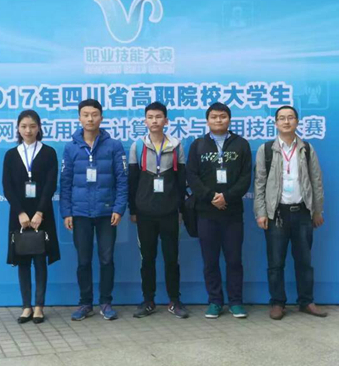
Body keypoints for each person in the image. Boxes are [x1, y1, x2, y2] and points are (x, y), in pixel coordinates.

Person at [253, 105, 326, 320]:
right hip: (276, 214)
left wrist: (317, 211)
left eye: (291, 118)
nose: (286, 122)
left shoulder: (307, 149)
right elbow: (259, 183)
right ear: (275, 123)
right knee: (276, 262)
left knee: (304, 261)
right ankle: (277, 303)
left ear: (297, 121)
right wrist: (261, 212)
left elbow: (316, 181)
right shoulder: (266, 149)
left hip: (302, 212)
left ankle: (306, 301)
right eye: (282, 118)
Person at [61, 99, 128, 321]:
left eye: (94, 114)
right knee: (83, 260)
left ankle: (106, 302)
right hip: (80, 213)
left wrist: (119, 208)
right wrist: (67, 212)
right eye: (85, 114)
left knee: (107, 259)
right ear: (79, 118)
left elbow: (122, 180)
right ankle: (85, 303)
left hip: (107, 213)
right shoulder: (71, 147)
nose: (90, 119)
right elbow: (65, 182)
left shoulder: (114, 146)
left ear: (101, 117)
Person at [186, 102, 252, 319]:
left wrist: (227, 197)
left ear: (229, 119)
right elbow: (192, 176)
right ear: (207, 120)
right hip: (206, 213)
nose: (218, 120)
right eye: (214, 117)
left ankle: (236, 302)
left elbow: (246, 177)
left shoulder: (241, 144)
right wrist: (211, 197)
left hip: (233, 213)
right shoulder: (198, 145)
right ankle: (215, 301)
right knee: (210, 261)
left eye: (222, 116)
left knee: (234, 260)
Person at [128, 102, 189, 319]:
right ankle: (148, 300)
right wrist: (133, 209)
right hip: (144, 212)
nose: (154, 121)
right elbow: (132, 181)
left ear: (166, 120)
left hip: (170, 212)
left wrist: (181, 209)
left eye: (158, 117)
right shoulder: (137, 146)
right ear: (145, 121)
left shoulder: (176, 145)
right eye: (150, 117)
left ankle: (174, 300)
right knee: (147, 258)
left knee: (172, 258)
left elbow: (181, 180)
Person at [2, 109, 60, 324]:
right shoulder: (11, 155)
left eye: (32, 126)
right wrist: (20, 213)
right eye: (24, 126)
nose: (28, 130)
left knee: (40, 260)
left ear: (39, 128)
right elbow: (7, 187)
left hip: (42, 213)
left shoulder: (49, 152)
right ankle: (26, 306)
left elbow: (50, 185)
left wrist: (39, 213)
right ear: (18, 128)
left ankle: (39, 307)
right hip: (19, 215)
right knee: (23, 260)